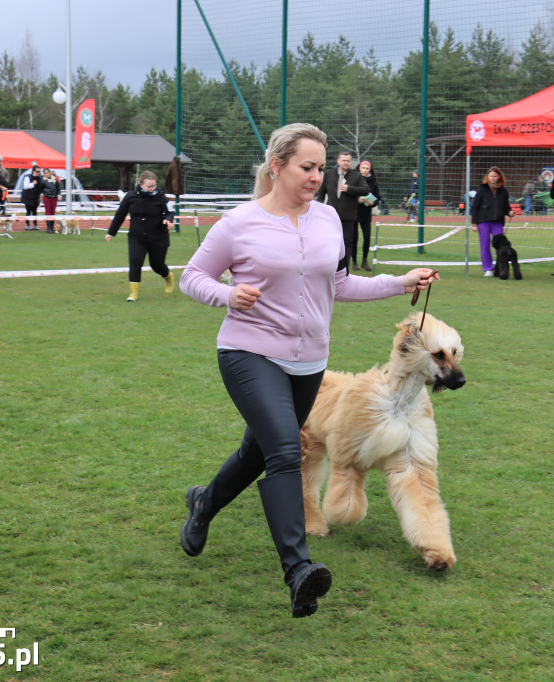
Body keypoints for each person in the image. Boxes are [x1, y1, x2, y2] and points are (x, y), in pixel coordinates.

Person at [178, 122, 439, 618]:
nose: (317, 176)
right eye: (307, 167)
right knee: (284, 450)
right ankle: (298, 569)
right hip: (248, 353)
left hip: (308, 364)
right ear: (277, 166)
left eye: (321, 167)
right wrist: (227, 294)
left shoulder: (327, 222)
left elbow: (341, 285)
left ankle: (204, 504)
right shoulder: (239, 223)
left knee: (257, 453)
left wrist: (399, 280)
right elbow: (192, 275)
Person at [105, 170, 175, 302]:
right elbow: (120, 214)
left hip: (158, 237)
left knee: (157, 265)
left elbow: (170, 211)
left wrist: (168, 219)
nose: (152, 188)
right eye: (149, 186)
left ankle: (168, 277)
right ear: (140, 184)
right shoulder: (131, 197)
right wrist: (111, 232)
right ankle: (133, 293)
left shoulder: (161, 197)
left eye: (154, 185)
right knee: (135, 262)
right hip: (137, 237)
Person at [315, 151, 369, 270]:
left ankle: (344, 268)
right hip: (330, 216)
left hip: (348, 216)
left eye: (348, 161)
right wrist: (318, 208)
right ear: (338, 161)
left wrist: (349, 188)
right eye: (343, 160)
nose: (346, 163)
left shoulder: (356, 176)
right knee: (329, 241)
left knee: (346, 242)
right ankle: (328, 266)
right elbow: (321, 194)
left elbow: (365, 190)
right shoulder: (328, 174)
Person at [471, 166, 515, 277]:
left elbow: (506, 206)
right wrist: (474, 223)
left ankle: (501, 267)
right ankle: (488, 268)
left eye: (494, 176)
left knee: (501, 246)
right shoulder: (482, 189)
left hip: (498, 222)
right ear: (487, 177)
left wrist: (510, 212)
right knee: (485, 245)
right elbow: (475, 207)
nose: (492, 178)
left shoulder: (503, 191)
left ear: (499, 177)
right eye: (490, 176)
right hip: (483, 221)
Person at [355, 159, 380, 271]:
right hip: (354, 213)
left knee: (367, 237)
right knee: (353, 238)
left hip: (366, 214)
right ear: (359, 168)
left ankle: (364, 261)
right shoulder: (354, 179)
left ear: (370, 170)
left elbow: (377, 198)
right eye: (363, 168)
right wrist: (357, 199)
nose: (364, 170)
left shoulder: (373, 182)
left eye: (367, 168)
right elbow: (348, 194)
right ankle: (354, 262)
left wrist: (372, 203)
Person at [18, 164, 43, 230]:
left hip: (35, 197)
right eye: (37, 171)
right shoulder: (27, 177)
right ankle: (27, 224)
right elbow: (25, 186)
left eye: (39, 171)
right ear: (33, 171)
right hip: (28, 197)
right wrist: (32, 184)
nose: (39, 173)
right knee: (28, 211)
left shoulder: (40, 179)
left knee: (35, 212)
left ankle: (35, 225)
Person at [40, 168, 60, 234]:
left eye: (47, 172)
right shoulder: (42, 180)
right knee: (48, 212)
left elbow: (58, 188)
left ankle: (52, 227)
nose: (46, 174)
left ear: (50, 172)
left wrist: (59, 195)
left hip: (54, 197)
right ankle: (49, 228)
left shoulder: (55, 179)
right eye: (45, 173)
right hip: (47, 197)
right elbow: (40, 189)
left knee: (53, 212)